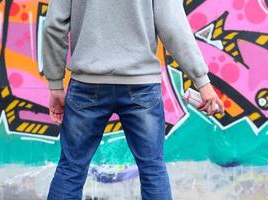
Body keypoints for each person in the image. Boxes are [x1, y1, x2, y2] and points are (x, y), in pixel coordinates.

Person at [42, 0, 225, 199]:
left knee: (71, 169)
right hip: (141, 84)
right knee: (152, 170)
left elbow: (54, 25)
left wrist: (55, 83)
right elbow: (172, 24)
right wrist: (202, 81)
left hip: (87, 83)